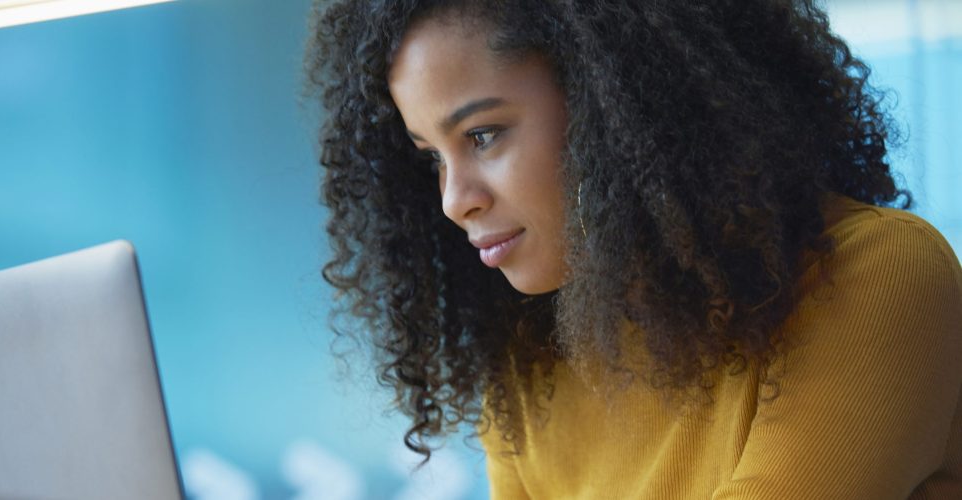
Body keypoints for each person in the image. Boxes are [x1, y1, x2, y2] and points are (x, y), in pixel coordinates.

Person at [304, 0, 962, 498]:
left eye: (481, 136)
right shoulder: (530, 364)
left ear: (610, 103)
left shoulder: (878, 276)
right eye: (430, 160)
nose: (454, 200)